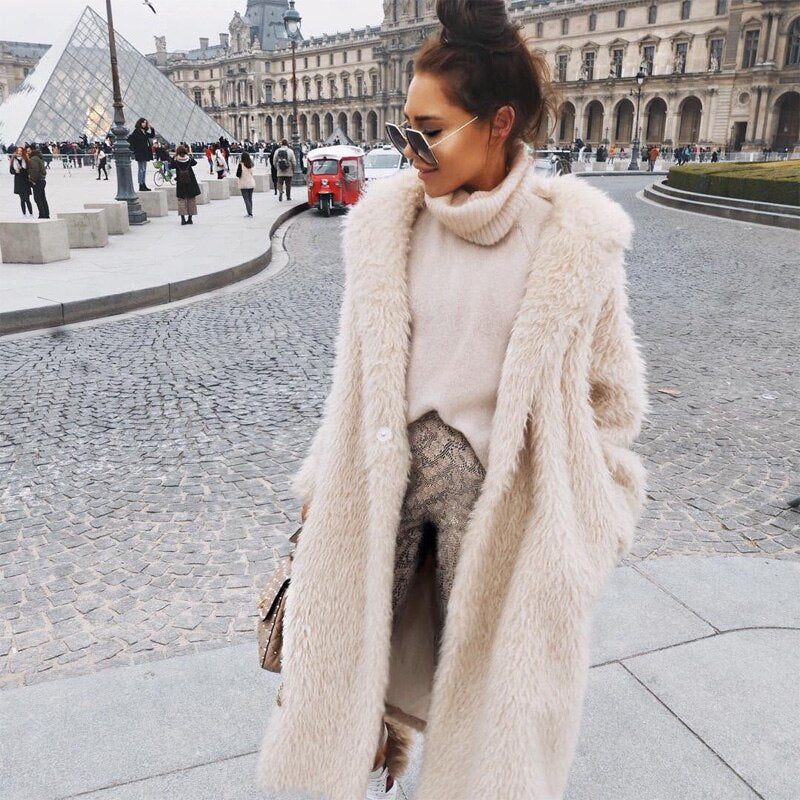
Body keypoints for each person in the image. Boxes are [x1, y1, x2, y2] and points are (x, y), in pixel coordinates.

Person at [256, 2, 647, 799]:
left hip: (508, 527)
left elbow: (613, 401)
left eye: (427, 131)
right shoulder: (386, 228)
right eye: (404, 130)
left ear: (499, 122)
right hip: (380, 509)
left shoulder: (574, 244)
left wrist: (591, 523)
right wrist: (319, 492)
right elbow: (353, 385)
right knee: (346, 711)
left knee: (488, 738)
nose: (408, 150)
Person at [168, 144, 201, 225]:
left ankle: (183, 219)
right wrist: (189, 156)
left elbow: (171, 166)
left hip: (181, 182)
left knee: (181, 200)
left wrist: (173, 158)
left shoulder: (176, 159)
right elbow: (195, 163)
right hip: (190, 181)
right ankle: (190, 219)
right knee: (191, 200)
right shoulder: (189, 159)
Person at [127, 117, 155, 191]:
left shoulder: (144, 132)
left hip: (145, 153)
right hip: (140, 153)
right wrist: (135, 150)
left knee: (144, 169)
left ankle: (144, 184)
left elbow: (152, 136)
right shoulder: (137, 131)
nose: (145, 124)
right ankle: (140, 185)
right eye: (143, 122)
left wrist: (152, 128)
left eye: (145, 122)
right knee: (141, 169)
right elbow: (131, 140)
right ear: (140, 123)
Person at [9, 146, 33, 216]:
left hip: (25, 181)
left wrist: (21, 169)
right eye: (18, 151)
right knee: (22, 199)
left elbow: (28, 172)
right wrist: (15, 171)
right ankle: (24, 214)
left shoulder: (26, 159)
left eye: (21, 151)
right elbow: (11, 171)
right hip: (18, 182)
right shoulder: (13, 160)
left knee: (27, 199)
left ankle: (31, 214)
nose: (19, 152)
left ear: (23, 152)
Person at [28, 146, 50, 218]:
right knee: (43, 198)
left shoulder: (33, 159)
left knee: (37, 198)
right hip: (42, 180)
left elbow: (35, 170)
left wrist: (33, 180)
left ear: (32, 151)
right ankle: (46, 214)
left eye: (28, 151)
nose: (27, 153)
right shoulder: (39, 157)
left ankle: (42, 214)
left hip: (37, 181)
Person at [236, 151, 255, 217]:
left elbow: (238, 174)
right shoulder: (251, 164)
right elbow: (252, 173)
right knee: (250, 198)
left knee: (246, 199)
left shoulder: (240, 164)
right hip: (251, 183)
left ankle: (249, 213)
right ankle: (250, 212)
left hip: (243, 183)